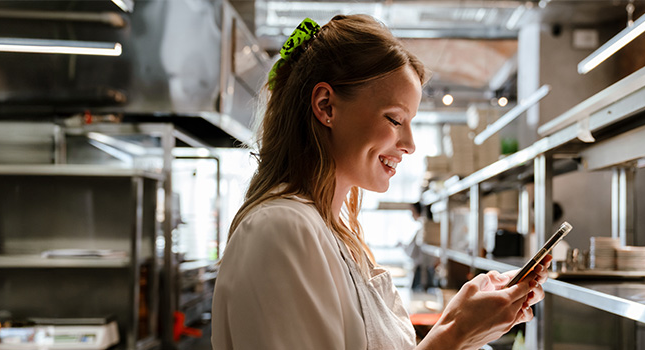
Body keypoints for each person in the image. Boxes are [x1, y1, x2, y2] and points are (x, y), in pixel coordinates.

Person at [212, 14, 550, 350]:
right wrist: (455, 333)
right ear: (326, 106)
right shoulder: (282, 228)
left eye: (411, 122)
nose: (410, 144)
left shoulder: (334, 235)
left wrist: (462, 325)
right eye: (394, 119)